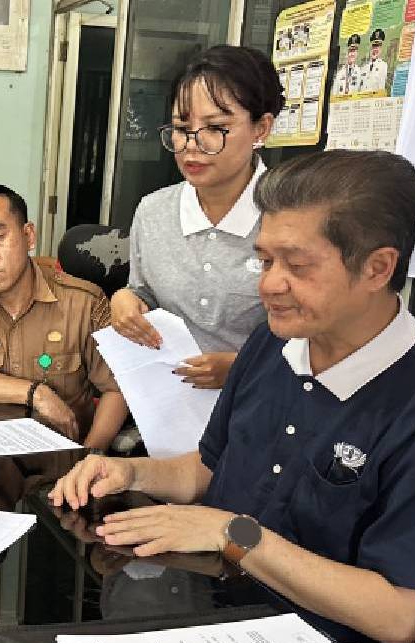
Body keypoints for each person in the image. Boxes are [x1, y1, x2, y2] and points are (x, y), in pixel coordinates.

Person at [49, 151, 415, 643]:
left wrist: (232, 532)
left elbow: (397, 616)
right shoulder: (275, 341)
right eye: (264, 261)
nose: (269, 286)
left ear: (377, 268)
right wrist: (131, 473)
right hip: (220, 610)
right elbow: (209, 469)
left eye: (297, 265)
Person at [112, 46, 284, 389]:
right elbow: (144, 294)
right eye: (181, 127)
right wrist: (125, 300)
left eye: (215, 128)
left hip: (266, 409)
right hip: (168, 405)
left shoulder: (291, 216)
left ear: (260, 129)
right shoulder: (153, 211)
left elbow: (325, 338)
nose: (192, 144)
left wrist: (243, 368)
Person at [0, 184, 128, 451]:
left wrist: (88, 458)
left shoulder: (83, 302)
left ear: (28, 236)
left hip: (60, 464)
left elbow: (118, 389)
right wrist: (35, 393)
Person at [362, 28, 390, 93]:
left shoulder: (383, 66)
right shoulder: (364, 67)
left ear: (381, 48)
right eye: (374, 46)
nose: (375, 49)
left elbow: (381, 88)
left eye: (378, 46)